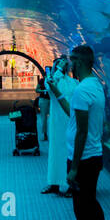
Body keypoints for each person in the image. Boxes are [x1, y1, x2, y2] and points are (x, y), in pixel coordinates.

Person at [49, 45, 110, 220]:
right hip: (90, 157)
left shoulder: (82, 90)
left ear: (84, 62)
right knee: (82, 210)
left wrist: (74, 167)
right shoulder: (93, 86)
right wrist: (56, 91)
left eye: (74, 60)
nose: (70, 65)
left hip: (84, 159)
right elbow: (73, 116)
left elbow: (82, 132)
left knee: (90, 212)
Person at [41, 56, 73, 196]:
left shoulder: (73, 83)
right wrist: (58, 68)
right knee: (54, 154)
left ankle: (71, 185)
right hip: (56, 124)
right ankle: (53, 182)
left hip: (69, 123)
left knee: (68, 153)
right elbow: (49, 84)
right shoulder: (53, 82)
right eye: (57, 65)